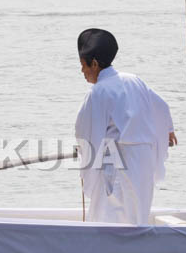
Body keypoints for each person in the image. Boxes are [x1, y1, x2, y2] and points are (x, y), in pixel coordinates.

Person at [73, 28, 178, 225]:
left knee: (111, 216)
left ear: (94, 64)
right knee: (137, 213)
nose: (82, 71)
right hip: (143, 160)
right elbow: (160, 106)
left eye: (83, 65)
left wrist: (82, 150)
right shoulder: (133, 80)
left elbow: (85, 132)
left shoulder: (98, 92)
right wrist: (167, 130)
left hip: (117, 163)